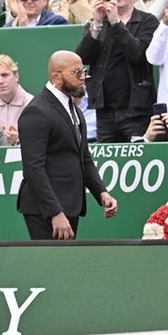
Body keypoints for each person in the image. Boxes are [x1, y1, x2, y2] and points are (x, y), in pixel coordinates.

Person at [18, 49, 117, 240]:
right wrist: (54, 212)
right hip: (44, 211)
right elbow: (33, 168)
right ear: (56, 77)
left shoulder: (75, 110)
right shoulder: (36, 112)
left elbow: (84, 159)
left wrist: (102, 193)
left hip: (70, 206)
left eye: (83, 72)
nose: (83, 77)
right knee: (50, 268)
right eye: (76, 72)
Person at [76, 0, 159, 142]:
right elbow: (83, 57)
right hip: (105, 110)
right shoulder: (97, 23)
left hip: (136, 109)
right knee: (108, 163)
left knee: (138, 160)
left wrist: (115, 22)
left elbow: (138, 53)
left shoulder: (147, 21)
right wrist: (97, 23)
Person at [0, 54, 34, 146]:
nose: (1, 81)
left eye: (5, 75)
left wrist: (19, 139)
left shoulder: (32, 104)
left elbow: (41, 141)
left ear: (16, 76)